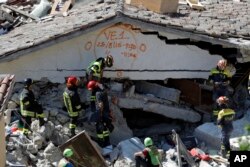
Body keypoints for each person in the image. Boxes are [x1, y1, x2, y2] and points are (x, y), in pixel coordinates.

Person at [87, 80, 114, 147]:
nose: (91, 90)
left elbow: (100, 105)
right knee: (104, 129)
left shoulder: (98, 93)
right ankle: (107, 142)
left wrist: (99, 114)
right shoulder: (102, 90)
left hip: (101, 113)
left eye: (91, 89)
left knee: (99, 129)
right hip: (106, 113)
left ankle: (101, 143)